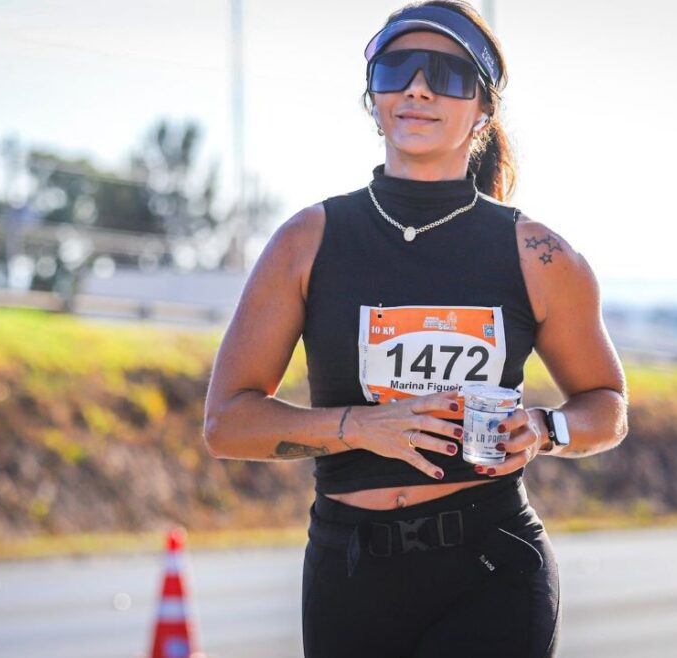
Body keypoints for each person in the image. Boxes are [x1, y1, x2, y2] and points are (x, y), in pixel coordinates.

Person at [203, 2, 628, 656]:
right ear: (373, 98)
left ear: (483, 110)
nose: (419, 89)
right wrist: (357, 427)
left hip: (492, 568)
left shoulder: (539, 255)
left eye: (448, 75)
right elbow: (227, 423)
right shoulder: (307, 241)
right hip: (349, 572)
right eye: (397, 69)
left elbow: (607, 407)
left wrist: (547, 430)